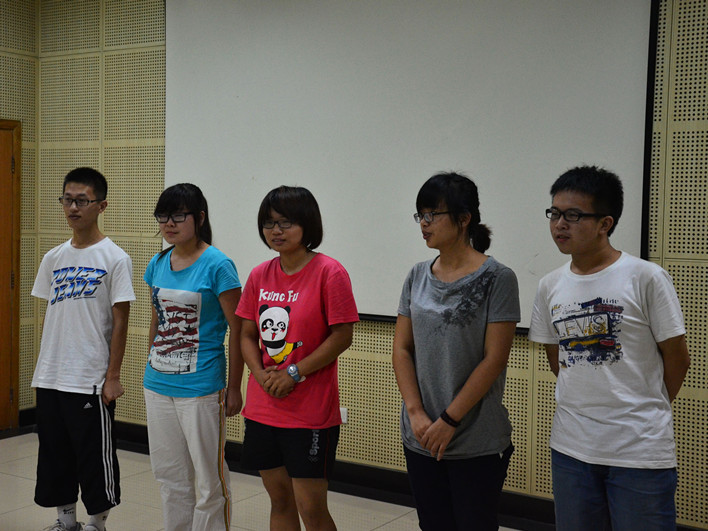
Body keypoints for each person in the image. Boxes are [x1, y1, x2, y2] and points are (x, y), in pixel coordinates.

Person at [528, 165, 691, 531]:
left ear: (605, 223)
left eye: (573, 215)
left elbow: (678, 359)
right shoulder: (550, 285)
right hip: (571, 448)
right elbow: (558, 360)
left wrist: (642, 405)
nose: (559, 224)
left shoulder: (646, 277)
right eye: (554, 213)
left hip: (639, 451)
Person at [392, 172, 520, 531]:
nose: (424, 223)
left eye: (432, 214)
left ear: (464, 219)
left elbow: (494, 360)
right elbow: (401, 349)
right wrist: (416, 413)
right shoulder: (417, 275)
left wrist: (449, 421)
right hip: (421, 435)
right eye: (420, 215)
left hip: (475, 439)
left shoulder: (498, 278)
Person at [236, 185, 358, 531]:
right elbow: (246, 334)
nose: (276, 230)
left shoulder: (329, 272)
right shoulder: (259, 274)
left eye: (286, 222)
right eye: (269, 223)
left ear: (307, 224)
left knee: (311, 508)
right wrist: (259, 374)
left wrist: (293, 372)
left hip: (310, 413)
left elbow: (342, 336)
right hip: (263, 407)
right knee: (279, 499)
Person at [32, 167, 135, 531]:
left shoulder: (115, 258)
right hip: (51, 375)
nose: (73, 208)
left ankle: (97, 523)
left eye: (81, 201)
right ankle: (65, 521)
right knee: (55, 453)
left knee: (93, 457)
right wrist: (44, 365)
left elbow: (120, 322)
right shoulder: (53, 257)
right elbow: (52, 315)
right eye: (67, 200)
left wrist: (113, 376)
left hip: (90, 377)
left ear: (101, 205)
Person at [143, 183, 243, 531]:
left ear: (199, 218)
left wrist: (234, 387)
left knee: (209, 481)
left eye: (178, 216)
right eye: (163, 216)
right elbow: (156, 320)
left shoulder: (218, 265)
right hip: (157, 384)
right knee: (169, 476)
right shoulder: (158, 262)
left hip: (201, 387)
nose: (169, 224)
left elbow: (239, 330)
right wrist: (150, 362)